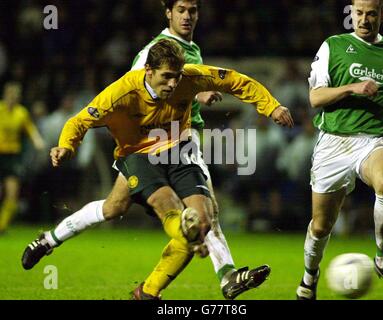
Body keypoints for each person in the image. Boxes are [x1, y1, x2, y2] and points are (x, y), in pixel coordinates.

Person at [21, 39, 294, 300]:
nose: (173, 83)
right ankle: (48, 240)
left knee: (199, 220)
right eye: (166, 76)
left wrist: (271, 106)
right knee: (168, 210)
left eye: (176, 76)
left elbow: (234, 80)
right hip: (137, 154)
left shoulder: (189, 78)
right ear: (148, 71)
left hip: (178, 148)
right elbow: (79, 121)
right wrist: (66, 146)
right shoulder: (121, 93)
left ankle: (148, 292)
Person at [131, 0, 271, 299]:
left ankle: (51, 240)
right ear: (167, 11)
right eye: (180, 9)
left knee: (114, 208)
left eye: (192, 10)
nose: (187, 16)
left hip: (179, 136)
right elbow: (138, 91)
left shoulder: (189, 49)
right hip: (167, 138)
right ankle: (226, 276)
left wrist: (197, 91)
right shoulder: (156, 50)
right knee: (203, 213)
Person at [296, 0, 383, 300]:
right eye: (359, 13)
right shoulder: (334, 46)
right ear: (351, 12)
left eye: (371, 14)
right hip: (334, 142)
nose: (364, 20)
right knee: (321, 226)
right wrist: (352, 88)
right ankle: (309, 278)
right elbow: (315, 98)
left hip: (374, 139)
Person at [0, 82, 45, 234]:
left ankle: (2, 226)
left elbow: (30, 129)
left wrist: (38, 141)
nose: (13, 98)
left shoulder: (21, 112)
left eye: (16, 95)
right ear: (6, 95)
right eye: (11, 95)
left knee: (12, 193)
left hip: (12, 156)